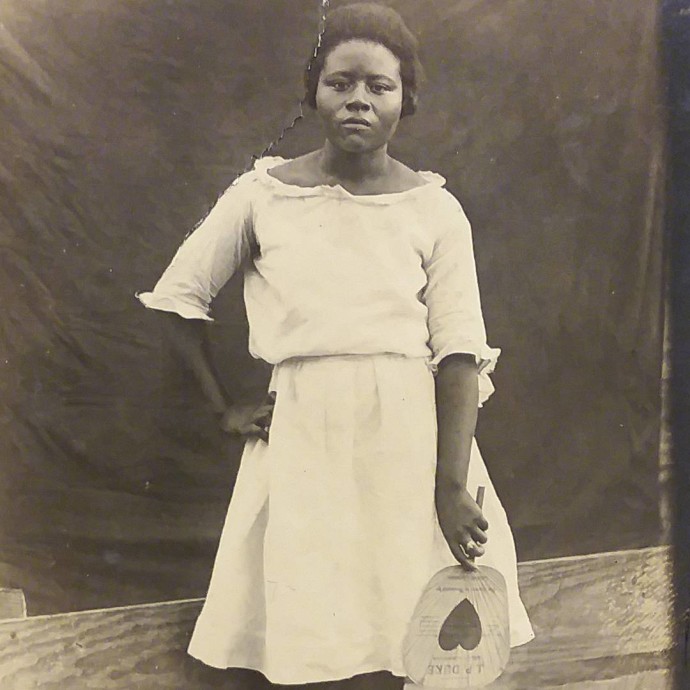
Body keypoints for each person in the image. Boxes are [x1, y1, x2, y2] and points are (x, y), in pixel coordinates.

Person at [137, 3, 534, 688]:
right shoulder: (262, 195)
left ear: (406, 98)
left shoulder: (433, 209)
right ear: (313, 91)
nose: (357, 100)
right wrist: (222, 406)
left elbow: (460, 353)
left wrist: (449, 483)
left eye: (378, 86)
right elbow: (180, 296)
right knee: (316, 631)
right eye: (339, 82)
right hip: (305, 437)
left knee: (406, 631)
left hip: (410, 444)